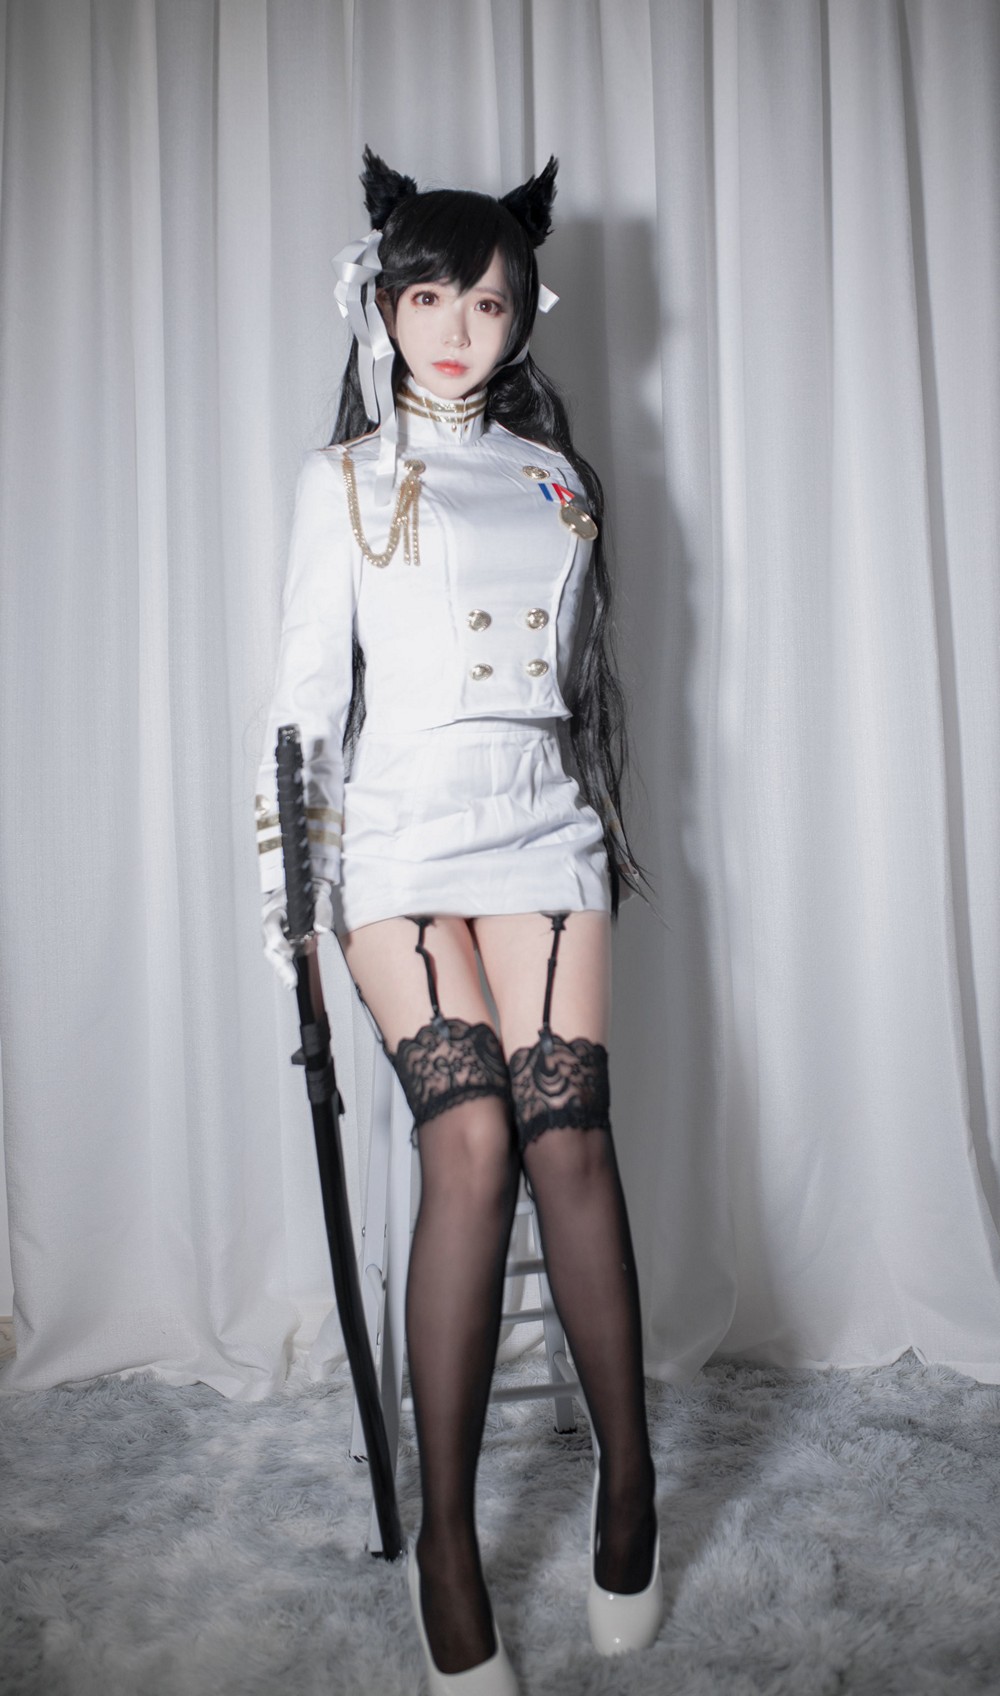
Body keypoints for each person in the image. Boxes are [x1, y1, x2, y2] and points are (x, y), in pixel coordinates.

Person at [256, 148, 661, 1695]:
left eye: (487, 303)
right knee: (474, 1137)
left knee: (569, 1134)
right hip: (397, 844)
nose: (454, 328)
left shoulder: (563, 481)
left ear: (521, 317)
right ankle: (447, 1544)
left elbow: (577, 691)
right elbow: (302, 712)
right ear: (382, 302)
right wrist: (292, 910)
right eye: (428, 295)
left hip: (540, 828)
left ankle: (629, 1479)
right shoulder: (343, 481)